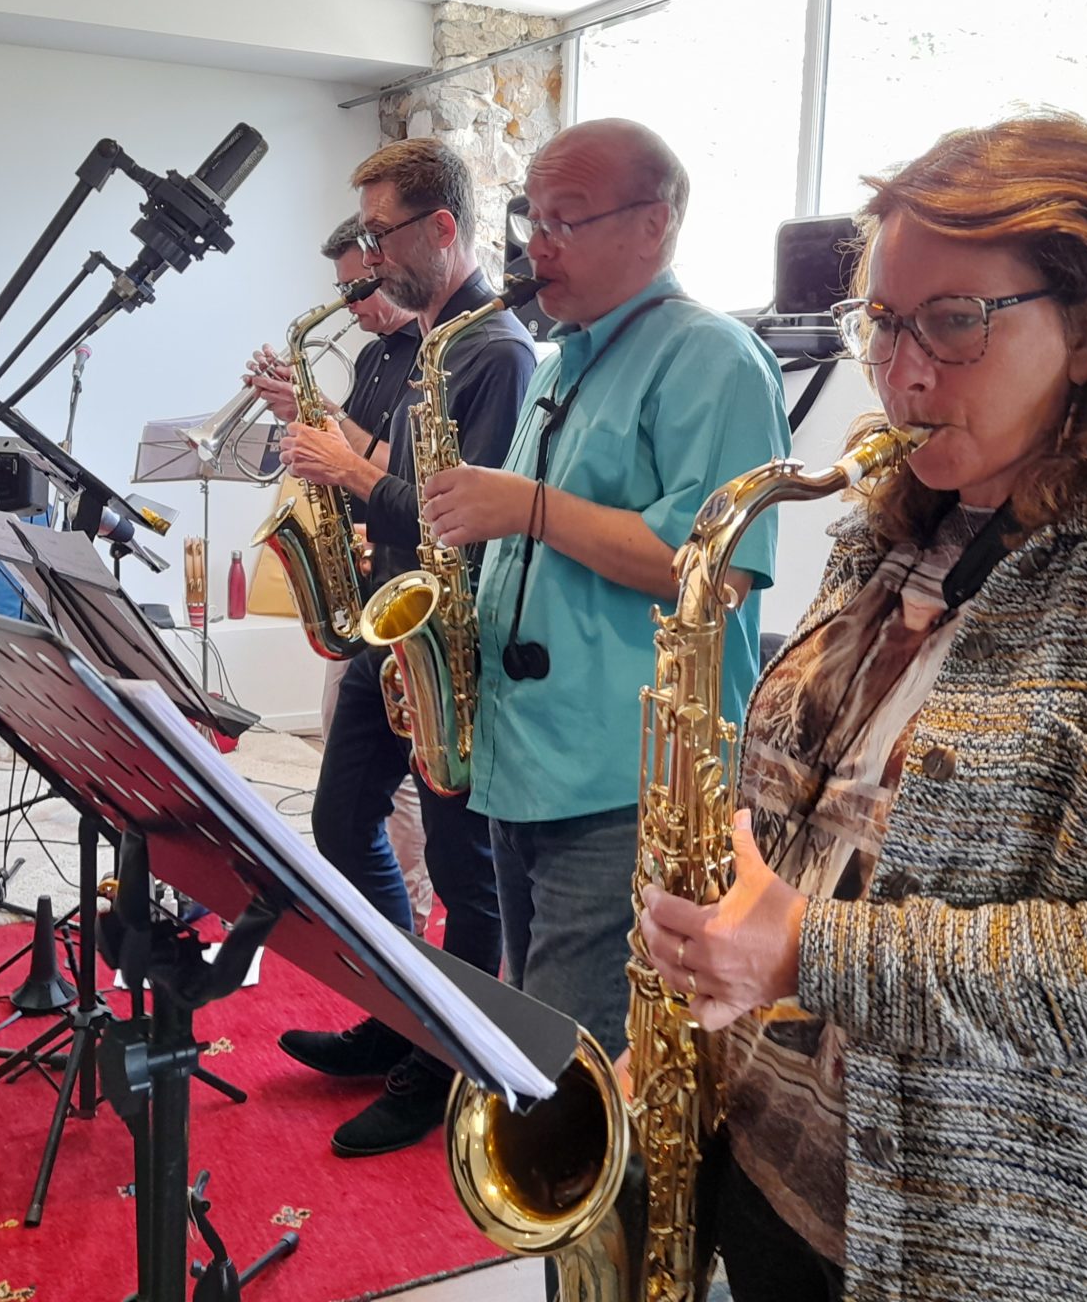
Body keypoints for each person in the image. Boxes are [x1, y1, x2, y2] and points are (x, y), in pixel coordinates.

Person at [634, 114, 1087, 1301]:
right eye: (883, 321)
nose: (899, 373)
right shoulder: (886, 534)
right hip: (770, 1184)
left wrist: (811, 950)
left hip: (1000, 1254)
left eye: (953, 322)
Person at [422, 118, 791, 1065]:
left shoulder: (712, 357)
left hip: (627, 785)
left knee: (570, 1064)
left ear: (652, 225)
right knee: (534, 1024)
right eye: (532, 219)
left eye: (566, 220)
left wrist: (529, 507)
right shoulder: (562, 364)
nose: (536, 247)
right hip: (527, 763)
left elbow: (715, 569)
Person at [273, 140, 535, 1156]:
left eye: (382, 234)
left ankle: (445, 1062)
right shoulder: (427, 344)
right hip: (389, 631)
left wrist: (350, 473)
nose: (371, 256)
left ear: (442, 228)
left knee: (467, 878)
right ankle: (399, 1012)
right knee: (342, 824)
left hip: (447, 649)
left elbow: (466, 524)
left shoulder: (495, 351)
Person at [243, 216, 435, 934]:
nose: (350, 304)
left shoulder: (431, 355)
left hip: (405, 579)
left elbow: (384, 466)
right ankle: (381, 917)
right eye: (344, 289)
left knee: (401, 776)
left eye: (359, 287)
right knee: (343, 748)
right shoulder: (374, 357)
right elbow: (350, 459)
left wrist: (320, 414)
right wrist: (298, 407)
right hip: (362, 566)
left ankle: (411, 914)